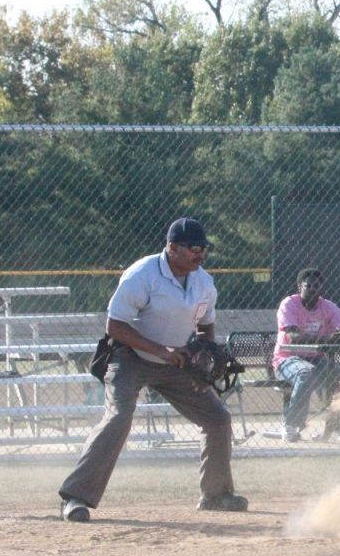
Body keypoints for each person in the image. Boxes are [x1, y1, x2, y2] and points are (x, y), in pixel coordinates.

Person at [58, 218, 247, 522]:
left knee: (218, 419)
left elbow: (205, 326)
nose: (200, 254)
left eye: (204, 249)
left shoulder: (203, 282)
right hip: (130, 357)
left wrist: (204, 359)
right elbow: (115, 326)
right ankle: (75, 497)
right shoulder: (142, 275)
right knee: (118, 418)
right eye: (194, 248)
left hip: (177, 362)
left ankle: (216, 495)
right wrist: (160, 350)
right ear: (172, 248)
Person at [272, 268, 340, 443]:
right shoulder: (289, 304)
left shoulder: (328, 307)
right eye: (309, 286)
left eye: (317, 286)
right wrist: (327, 339)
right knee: (306, 373)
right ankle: (291, 425)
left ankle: (337, 428)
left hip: (316, 358)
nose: (313, 290)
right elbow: (293, 337)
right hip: (287, 358)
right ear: (300, 287)